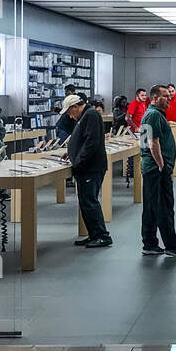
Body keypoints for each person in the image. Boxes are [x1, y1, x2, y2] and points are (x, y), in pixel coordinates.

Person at [138, 85, 176, 257]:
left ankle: (150, 243)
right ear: (154, 98)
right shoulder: (153, 115)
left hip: (151, 168)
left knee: (152, 207)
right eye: (165, 96)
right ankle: (172, 245)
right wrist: (162, 165)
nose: (169, 99)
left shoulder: (152, 114)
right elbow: (153, 143)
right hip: (156, 169)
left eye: (169, 96)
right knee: (164, 207)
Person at [66, 94, 112, 248]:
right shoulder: (85, 115)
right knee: (86, 201)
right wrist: (72, 152)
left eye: (70, 112)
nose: (69, 115)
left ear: (75, 106)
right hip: (87, 167)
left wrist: (78, 161)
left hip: (90, 167)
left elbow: (91, 142)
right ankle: (94, 234)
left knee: (90, 201)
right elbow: (83, 140)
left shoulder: (90, 115)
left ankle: (101, 235)